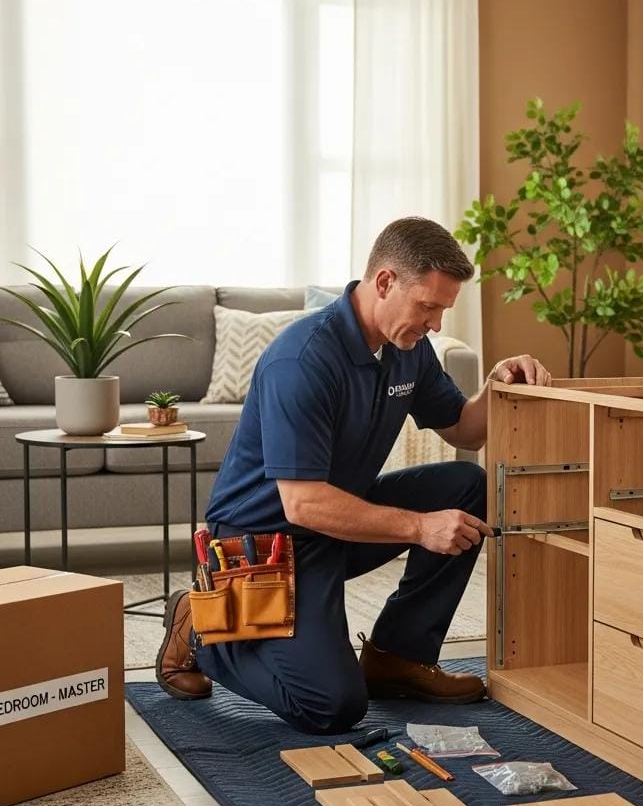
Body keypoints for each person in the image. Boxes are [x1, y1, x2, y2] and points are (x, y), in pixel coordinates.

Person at [155, 217, 551, 733]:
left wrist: (498, 386)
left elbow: (464, 430)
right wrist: (418, 527)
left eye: (443, 310)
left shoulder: (407, 349)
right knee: (331, 706)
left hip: (337, 525)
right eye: (427, 307)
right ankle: (203, 628)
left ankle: (397, 659)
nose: (435, 324)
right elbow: (302, 505)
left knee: (466, 487)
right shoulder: (302, 360)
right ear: (385, 282)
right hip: (267, 544)